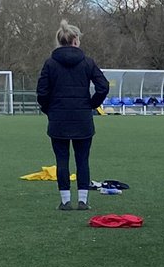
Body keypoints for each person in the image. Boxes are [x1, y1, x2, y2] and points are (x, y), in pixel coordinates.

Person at [35, 20, 110, 211]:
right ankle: (83, 201)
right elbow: (103, 86)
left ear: (60, 41)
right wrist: (91, 105)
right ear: (76, 40)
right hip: (82, 118)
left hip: (58, 118)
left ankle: (65, 200)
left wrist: (49, 110)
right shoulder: (87, 62)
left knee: (61, 160)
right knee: (82, 159)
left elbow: (42, 92)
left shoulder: (50, 63)